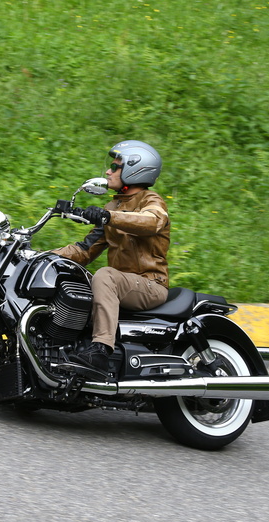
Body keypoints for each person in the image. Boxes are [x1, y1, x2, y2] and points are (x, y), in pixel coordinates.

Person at [53, 140, 170, 374]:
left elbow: (151, 221)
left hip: (149, 283)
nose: (108, 171)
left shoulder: (151, 201)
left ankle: (101, 350)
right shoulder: (114, 205)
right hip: (123, 283)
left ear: (135, 170)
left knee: (105, 275)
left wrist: (109, 217)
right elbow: (85, 250)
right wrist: (42, 257)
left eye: (115, 167)